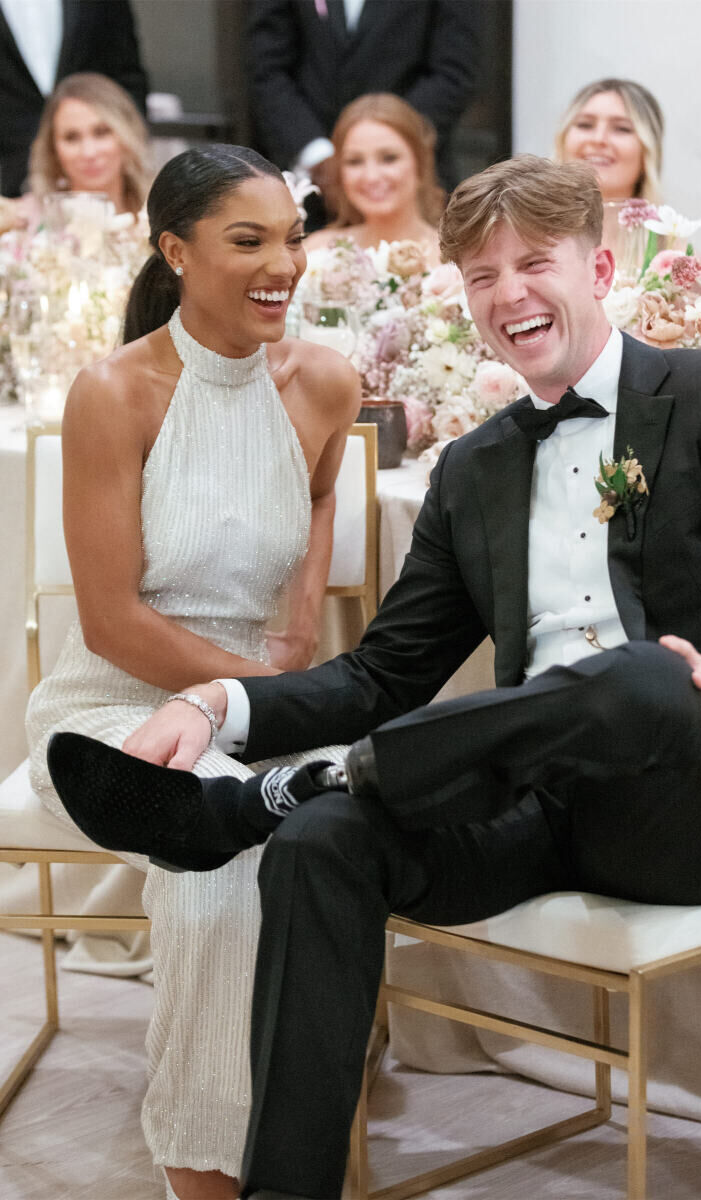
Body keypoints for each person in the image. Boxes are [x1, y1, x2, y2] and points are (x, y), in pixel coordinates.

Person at [48, 156, 701, 1200]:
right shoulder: (475, 468)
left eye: (534, 263)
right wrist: (221, 702)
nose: (508, 295)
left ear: (600, 265)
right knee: (320, 846)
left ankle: (294, 786)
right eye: (481, 276)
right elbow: (383, 673)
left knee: (648, 682)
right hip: (538, 804)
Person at [26, 144, 360, 1200]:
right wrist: (266, 696)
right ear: (175, 251)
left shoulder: (325, 381)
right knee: (220, 871)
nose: (284, 266)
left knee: (292, 848)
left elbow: (314, 495)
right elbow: (116, 622)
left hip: (252, 700)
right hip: (118, 697)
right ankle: (206, 1170)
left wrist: (301, 619)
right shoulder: (114, 393)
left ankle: (291, 1134)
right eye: (248, 241)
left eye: (293, 239)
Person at [247, 0, 482, 221]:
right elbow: (266, 69)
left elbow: (453, 74)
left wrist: (386, 149)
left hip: (412, 194)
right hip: (312, 198)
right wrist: (317, 155)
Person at [0, 0, 147, 198]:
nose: (89, 152)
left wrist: (129, 147)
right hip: (10, 176)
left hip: (114, 185)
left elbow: (127, 74)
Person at [303, 93, 443, 260]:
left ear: (420, 162)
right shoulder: (316, 251)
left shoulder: (457, 259)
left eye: (389, 158)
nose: (371, 177)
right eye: (355, 161)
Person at [19, 71, 152, 222]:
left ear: (127, 135)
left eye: (101, 133)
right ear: (53, 149)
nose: (89, 153)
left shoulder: (161, 215)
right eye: (71, 138)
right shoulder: (26, 222)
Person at [554, 77, 664, 204]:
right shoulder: (528, 222)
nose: (598, 139)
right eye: (585, 124)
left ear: (648, 151)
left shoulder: (675, 223)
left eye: (622, 128)